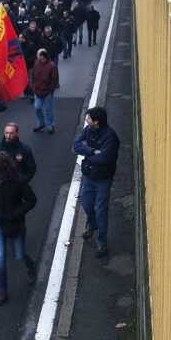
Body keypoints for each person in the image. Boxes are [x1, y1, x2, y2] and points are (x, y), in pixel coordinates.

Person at [0, 151, 38, 306]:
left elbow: (32, 200)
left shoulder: (19, 181)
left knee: (20, 255)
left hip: (16, 224)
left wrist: (17, 213)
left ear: (0, 166)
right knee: (1, 257)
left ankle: (30, 265)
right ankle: (2, 290)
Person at [73, 106, 120, 258]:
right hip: (90, 176)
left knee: (101, 211)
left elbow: (105, 158)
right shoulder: (88, 130)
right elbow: (77, 145)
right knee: (86, 204)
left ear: (96, 121)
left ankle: (102, 242)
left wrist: (88, 155)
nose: (86, 120)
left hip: (103, 179)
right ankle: (92, 224)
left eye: (88, 118)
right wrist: (92, 151)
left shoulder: (110, 137)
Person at [32, 49, 59, 133]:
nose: (36, 56)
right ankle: (41, 123)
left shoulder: (52, 66)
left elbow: (55, 80)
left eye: (38, 54)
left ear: (42, 56)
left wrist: (50, 90)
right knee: (37, 107)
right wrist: (33, 87)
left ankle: (50, 125)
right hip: (38, 91)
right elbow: (33, 76)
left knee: (48, 109)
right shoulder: (36, 64)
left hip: (47, 92)